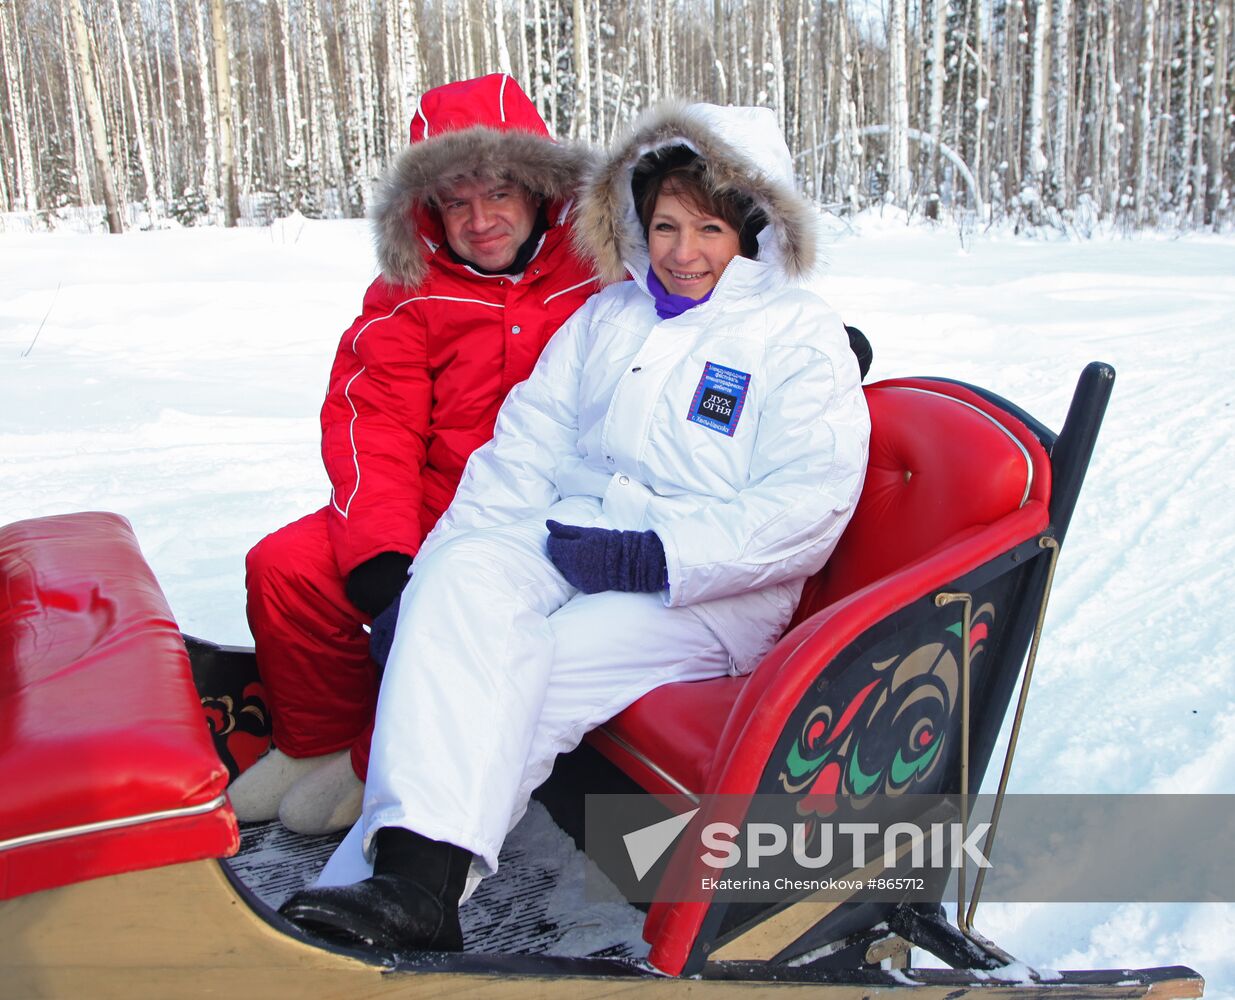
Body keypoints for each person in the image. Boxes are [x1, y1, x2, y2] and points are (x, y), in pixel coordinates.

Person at [278, 102, 871, 951]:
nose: (681, 251)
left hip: (705, 589)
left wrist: (655, 557)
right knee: (457, 588)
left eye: (708, 227)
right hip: (581, 537)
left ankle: (402, 889)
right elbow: (523, 452)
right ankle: (403, 886)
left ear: (753, 225)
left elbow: (805, 507)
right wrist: (435, 576)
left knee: (532, 664)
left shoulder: (798, 335)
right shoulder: (610, 316)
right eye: (662, 224)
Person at [232, 74, 599, 835]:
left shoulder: (603, 264)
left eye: (498, 192)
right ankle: (314, 744)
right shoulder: (409, 289)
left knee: (444, 606)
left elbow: (705, 294)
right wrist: (380, 547)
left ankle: (377, 765)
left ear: (537, 187)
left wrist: (800, 340)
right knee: (287, 569)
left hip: (554, 510)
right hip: (435, 501)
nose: (481, 220)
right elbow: (375, 422)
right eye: (456, 202)